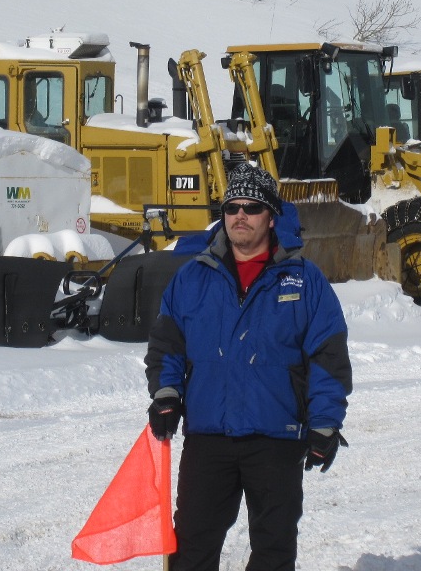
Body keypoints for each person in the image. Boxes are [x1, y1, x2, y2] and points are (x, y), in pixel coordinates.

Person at [145, 163, 352, 571]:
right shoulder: (192, 279)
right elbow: (168, 345)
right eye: (232, 206)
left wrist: (325, 422)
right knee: (190, 547)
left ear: (271, 216)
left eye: (252, 207)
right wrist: (167, 394)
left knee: (274, 550)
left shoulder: (304, 280)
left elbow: (328, 357)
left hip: (276, 438)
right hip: (209, 438)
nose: (240, 215)